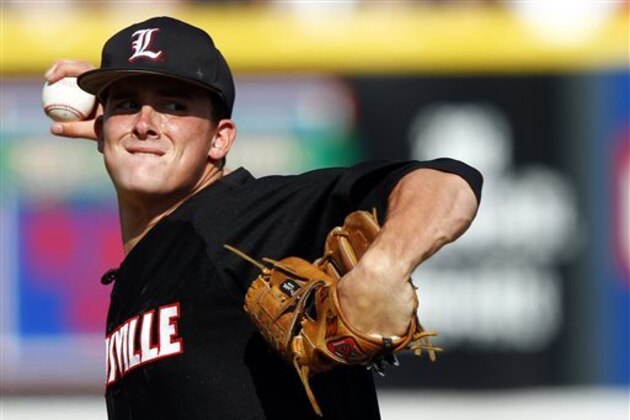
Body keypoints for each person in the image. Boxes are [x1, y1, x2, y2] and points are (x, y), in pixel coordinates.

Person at [45, 16, 482, 420]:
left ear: (220, 140)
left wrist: (383, 268)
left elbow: (446, 183)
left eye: (174, 106)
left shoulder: (242, 217)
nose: (145, 122)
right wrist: (124, 135)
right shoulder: (147, 263)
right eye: (126, 103)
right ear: (101, 129)